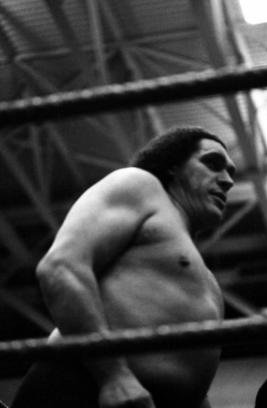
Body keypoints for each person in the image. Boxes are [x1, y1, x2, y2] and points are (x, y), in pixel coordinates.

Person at [11, 126, 235, 408]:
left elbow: (194, 380)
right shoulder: (141, 187)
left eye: (231, 172)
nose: (227, 181)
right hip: (85, 390)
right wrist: (113, 377)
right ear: (172, 167)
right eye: (212, 163)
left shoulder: (208, 279)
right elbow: (61, 266)